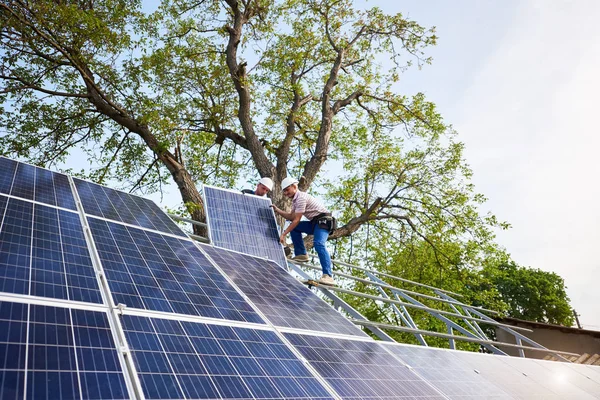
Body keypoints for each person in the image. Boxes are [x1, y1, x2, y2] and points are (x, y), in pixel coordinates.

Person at [271, 177, 336, 285]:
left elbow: (296, 220)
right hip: (315, 223)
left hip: (323, 222)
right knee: (295, 228)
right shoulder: (296, 200)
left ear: (294, 186)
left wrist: (284, 234)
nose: (286, 193)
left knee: (319, 244)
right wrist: (278, 210)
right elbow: (292, 216)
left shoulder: (301, 198)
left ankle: (328, 276)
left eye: (287, 190)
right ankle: (301, 254)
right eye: (284, 191)